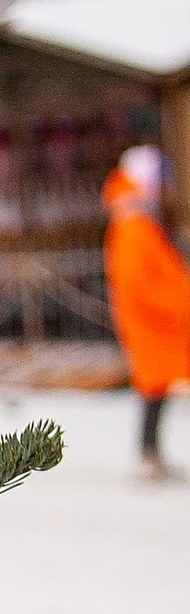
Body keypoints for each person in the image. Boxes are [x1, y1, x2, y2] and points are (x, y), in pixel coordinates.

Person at [103, 142, 189, 481]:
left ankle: (150, 451)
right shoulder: (133, 225)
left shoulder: (138, 221)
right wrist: (177, 306)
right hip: (153, 321)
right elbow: (141, 282)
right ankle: (147, 453)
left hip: (160, 320)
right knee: (153, 386)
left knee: (157, 386)